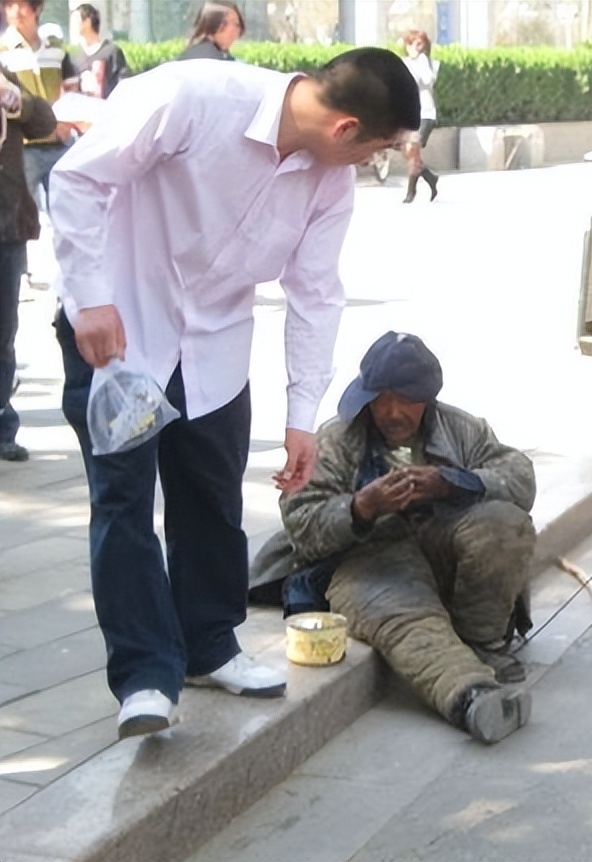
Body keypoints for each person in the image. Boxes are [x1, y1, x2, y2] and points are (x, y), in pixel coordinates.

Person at [48, 48, 421, 740]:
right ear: (344, 129)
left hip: (215, 345)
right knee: (125, 505)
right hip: (122, 335)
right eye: (376, 149)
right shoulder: (191, 97)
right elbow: (76, 181)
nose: (372, 163)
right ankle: (144, 679)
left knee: (212, 499)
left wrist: (303, 415)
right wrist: (90, 300)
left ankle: (208, 646)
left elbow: (315, 291)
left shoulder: (326, 182)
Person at [249, 331, 537, 744]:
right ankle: (472, 697)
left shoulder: (459, 429)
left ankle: (482, 640)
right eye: (381, 398)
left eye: (406, 401)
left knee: (503, 524)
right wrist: (361, 507)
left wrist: (450, 482)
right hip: (369, 561)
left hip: (442, 548)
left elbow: (519, 477)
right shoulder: (336, 440)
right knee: (403, 615)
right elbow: (301, 521)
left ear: (427, 400)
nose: (392, 412)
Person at [0, 70, 55, 462]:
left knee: (3, 332)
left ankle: (3, 425)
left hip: (7, 224)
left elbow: (45, 123)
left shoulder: (5, 79)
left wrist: (18, 100)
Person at [0, 0, 79, 214]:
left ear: (37, 8)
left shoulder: (55, 48)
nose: (15, 11)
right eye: (9, 5)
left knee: (68, 214)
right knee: (26, 216)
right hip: (24, 148)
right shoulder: (3, 50)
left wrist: (66, 123)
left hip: (59, 143)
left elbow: (72, 89)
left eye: (21, 5)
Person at [400, 29, 439, 203]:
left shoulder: (427, 62)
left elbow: (428, 80)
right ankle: (430, 178)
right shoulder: (404, 62)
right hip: (409, 113)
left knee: (412, 149)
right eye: (410, 44)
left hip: (426, 114)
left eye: (418, 44)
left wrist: (421, 61)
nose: (413, 48)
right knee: (410, 152)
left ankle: (411, 192)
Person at [71, 3, 130, 99]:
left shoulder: (112, 52)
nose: (74, 24)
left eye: (77, 20)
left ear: (88, 21)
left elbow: (123, 84)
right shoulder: (74, 58)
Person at [177, 1, 244, 62]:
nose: (234, 30)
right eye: (225, 23)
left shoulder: (187, 55)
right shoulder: (207, 59)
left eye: (237, 25)